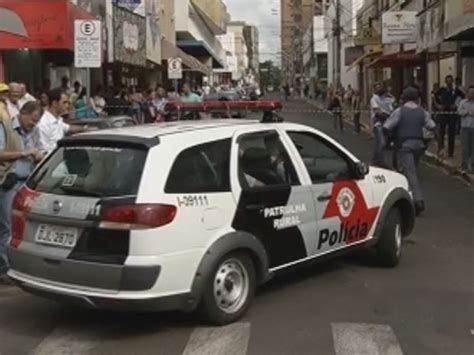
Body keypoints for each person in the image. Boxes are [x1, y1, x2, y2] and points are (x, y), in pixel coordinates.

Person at [0, 101, 44, 284]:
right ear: (23, 114)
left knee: (24, 227)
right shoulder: (5, 127)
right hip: (8, 182)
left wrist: (39, 154)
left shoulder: (34, 130)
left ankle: (19, 264)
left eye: (36, 121)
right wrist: (23, 153)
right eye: (32, 120)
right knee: (7, 227)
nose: (33, 125)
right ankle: (5, 268)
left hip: (27, 183)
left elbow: (39, 148)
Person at [383, 87, 436, 215]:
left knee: (410, 172)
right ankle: (409, 198)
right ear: (417, 98)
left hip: (404, 145)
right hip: (418, 145)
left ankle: (418, 201)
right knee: (412, 171)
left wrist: (391, 137)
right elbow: (432, 126)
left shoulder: (400, 111)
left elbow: (387, 126)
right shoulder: (422, 111)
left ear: (404, 98)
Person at [36, 88, 91, 154]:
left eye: (68, 103)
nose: (67, 106)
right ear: (54, 103)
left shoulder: (58, 119)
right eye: (64, 102)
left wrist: (86, 129)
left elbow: (68, 128)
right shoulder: (43, 123)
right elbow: (43, 151)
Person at [371, 83, 394, 167]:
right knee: (382, 143)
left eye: (380, 87)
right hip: (378, 123)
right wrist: (387, 116)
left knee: (379, 143)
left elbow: (392, 107)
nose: (378, 89)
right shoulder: (374, 98)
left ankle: (375, 160)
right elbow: (377, 111)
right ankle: (380, 162)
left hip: (387, 124)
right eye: (377, 88)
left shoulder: (388, 98)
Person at [437, 75, 458, 158]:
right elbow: (434, 95)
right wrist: (438, 105)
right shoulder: (442, 90)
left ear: (452, 82)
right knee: (441, 132)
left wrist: (456, 105)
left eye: (450, 81)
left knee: (451, 133)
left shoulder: (455, 91)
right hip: (444, 113)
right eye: (447, 81)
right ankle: (441, 149)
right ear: (446, 82)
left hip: (452, 114)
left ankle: (450, 152)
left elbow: (462, 97)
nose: (449, 83)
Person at [457, 85, 474, 173]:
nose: (472, 94)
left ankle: (472, 165)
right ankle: (464, 165)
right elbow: (459, 112)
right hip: (465, 127)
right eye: (470, 92)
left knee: (472, 147)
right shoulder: (463, 102)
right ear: (467, 93)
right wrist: (466, 112)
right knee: (465, 147)